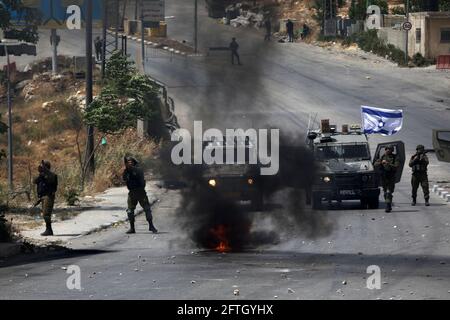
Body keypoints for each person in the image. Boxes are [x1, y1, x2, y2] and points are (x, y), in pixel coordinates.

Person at [123, 156, 157, 234]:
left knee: (147, 209)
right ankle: (132, 228)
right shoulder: (126, 171)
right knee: (130, 211)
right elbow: (124, 179)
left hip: (141, 192)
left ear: (134, 163)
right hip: (132, 193)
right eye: (128, 162)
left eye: (131, 162)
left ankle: (151, 226)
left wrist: (130, 170)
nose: (130, 163)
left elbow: (138, 176)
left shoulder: (139, 170)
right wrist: (127, 172)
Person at [34, 160, 58, 236]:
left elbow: (52, 179)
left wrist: (45, 172)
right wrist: (41, 174)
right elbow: (34, 181)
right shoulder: (42, 176)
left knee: (46, 214)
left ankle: (49, 230)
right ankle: (48, 229)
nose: (41, 168)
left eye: (43, 167)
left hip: (49, 196)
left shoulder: (52, 176)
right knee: (45, 214)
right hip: (43, 197)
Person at [374, 145, 400, 213]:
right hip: (384, 177)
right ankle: (389, 204)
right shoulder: (382, 157)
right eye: (387, 149)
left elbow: (396, 166)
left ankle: (388, 206)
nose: (388, 150)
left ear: (392, 150)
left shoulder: (395, 157)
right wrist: (381, 162)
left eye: (390, 149)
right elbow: (375, 164)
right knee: (385, 192)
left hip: (391, 176)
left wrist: (388, 163)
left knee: (389, 192)